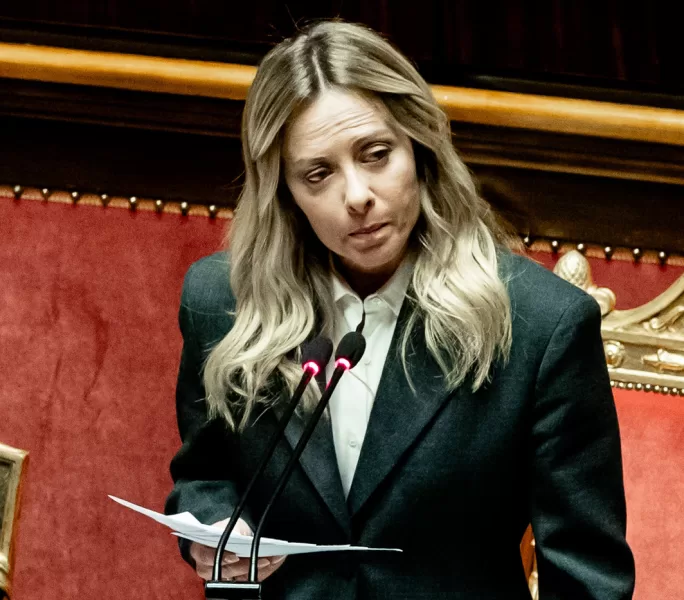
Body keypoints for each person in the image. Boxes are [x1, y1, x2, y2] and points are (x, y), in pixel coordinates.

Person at [166, 20, 635, 600]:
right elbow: (205, 472)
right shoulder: (223, 303)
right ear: (284, 192)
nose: (357, 195)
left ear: (419, 149)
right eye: (319, 173)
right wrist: (213, 529)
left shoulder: (541, 325)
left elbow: (587, 578)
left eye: (376, 154)